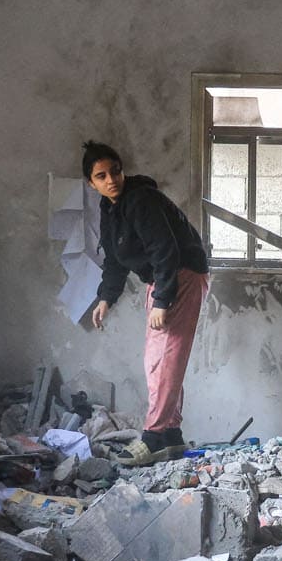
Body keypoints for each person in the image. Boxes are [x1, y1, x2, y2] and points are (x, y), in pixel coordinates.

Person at [84, 141, 211, 466]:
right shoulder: (110, 209)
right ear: (92, 183)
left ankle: (153, 436)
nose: (111, 179)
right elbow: (115, 258)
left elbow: (165, 249)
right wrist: (105, 299)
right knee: (161, 362)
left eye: (115, 171)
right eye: (101, 176)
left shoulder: (141, 200)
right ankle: (170, 436)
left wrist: (162, 300)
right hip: (162, 280)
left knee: (164, 361)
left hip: (180, 274)